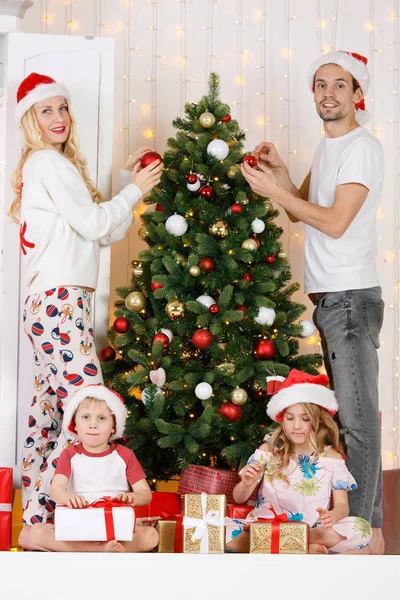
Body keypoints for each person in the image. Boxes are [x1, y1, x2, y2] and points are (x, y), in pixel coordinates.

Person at [9, 72, 162, 547]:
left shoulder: (55, 166)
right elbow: (97, 224)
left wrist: (123, 183)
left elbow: (104, 231)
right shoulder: (46, 163)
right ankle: (71, 515)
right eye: (46, 110)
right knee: (87, 405)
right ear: (31, 120)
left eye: (63, 107)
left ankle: (38, 520)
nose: (58, 118)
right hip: (57, 302)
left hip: (55, 302)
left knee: (51, 410)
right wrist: (135, 190)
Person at [241, 51, 385, 554]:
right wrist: (278, 172)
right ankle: (364, 527)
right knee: (350, 415)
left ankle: (366, 529)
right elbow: (303, 209)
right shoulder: (330, 147)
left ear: (356, 94)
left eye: (339, 85)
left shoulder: (361, 148)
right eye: (320, 85)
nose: (328, 93)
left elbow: (334, 220)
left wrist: (271, 191)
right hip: (330, 299)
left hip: (350, 297)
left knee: (358, 421)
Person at [227, 369, 372, 554]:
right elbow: (239, 497)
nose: (296, 426)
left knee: (361, 529)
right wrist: (246, 484)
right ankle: (298, 546)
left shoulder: (332, 459)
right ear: (282, 419)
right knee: (216, 530)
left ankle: (290, 543)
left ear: (318, 420)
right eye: (290, 418)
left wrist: (333, 516)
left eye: (305, 419)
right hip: (264, 527)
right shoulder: (268, 451)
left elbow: (342, 505)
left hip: (310, 529)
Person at [26, 384, 158, 552]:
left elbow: (145, 494)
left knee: (151, 535)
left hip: (114, 524)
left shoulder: (124, 455)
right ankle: (100, 549)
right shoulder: (69, 455)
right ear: (75, 425)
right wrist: (67, 497)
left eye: (101, 418)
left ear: (113, 427)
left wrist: (132, 497)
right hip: (78, 523)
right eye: (86, 417)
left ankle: (87, 549)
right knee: (37, 532)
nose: (93, 424)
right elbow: (56, 489)